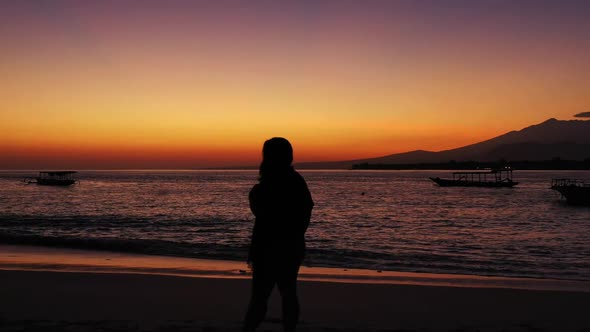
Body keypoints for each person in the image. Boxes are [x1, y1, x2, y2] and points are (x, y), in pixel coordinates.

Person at [243, 137, 314, 332]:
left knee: (260, 297)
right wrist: (296, 235)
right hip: (291, 246)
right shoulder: (296, 181)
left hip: (267, 247)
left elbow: (260, 210)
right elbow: (306, 212)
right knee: (288, 293)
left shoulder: (267, 184)